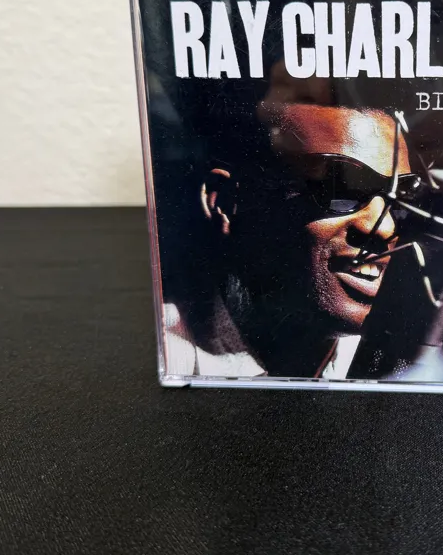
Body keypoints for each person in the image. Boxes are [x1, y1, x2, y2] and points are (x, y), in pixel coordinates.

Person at [163, 100, 415, 380]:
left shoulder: (402, 365)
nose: (384, 228)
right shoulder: (169, 357)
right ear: (227, 201)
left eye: (403, 199)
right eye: (341, 188)